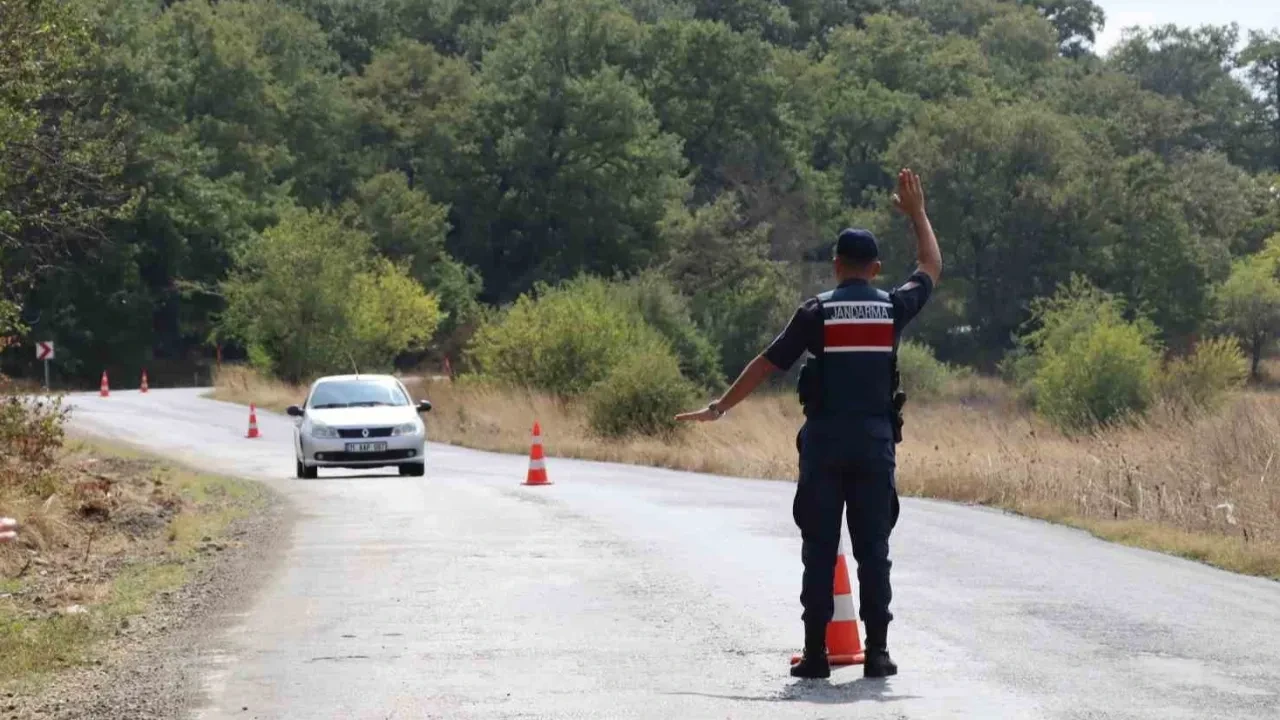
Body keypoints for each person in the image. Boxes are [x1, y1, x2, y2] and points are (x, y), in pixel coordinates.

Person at [675, 168, 941, 680]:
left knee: (820, 551)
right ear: (876, 267)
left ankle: (817, 656)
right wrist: (918, 214)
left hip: (822, 446)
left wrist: (720, 407)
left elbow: (766, 363)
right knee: (874, 552)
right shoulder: (892, 309)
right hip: (874, 444)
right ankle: (878, 654)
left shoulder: (815, 312)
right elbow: (930, 264)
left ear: (836, 264)